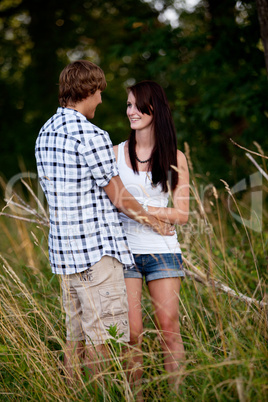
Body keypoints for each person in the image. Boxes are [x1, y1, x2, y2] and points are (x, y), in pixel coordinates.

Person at [35, 61, 174, 382]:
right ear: (88, 91)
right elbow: (119, 197)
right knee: (106, 341)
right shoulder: (90, 133)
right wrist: (154, 222)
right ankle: (102, 394)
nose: (100, 100)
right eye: (99, 93)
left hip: (65, 256)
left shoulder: (45, 132)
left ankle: (73, 393)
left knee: (75, 339)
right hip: (97, 256)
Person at [113, 80, 189, 396]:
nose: (130, 111)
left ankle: (178, 395)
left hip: (163, 252)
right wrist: (155, 212)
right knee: (132, 334)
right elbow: (111, 199)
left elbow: (182, 214)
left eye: (136, 105)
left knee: (169, 330)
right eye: (128, 105)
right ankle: (136, 395)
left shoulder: (175, 156)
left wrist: (145, 208)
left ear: (153, 109)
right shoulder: (115, 153)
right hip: (124, 251)